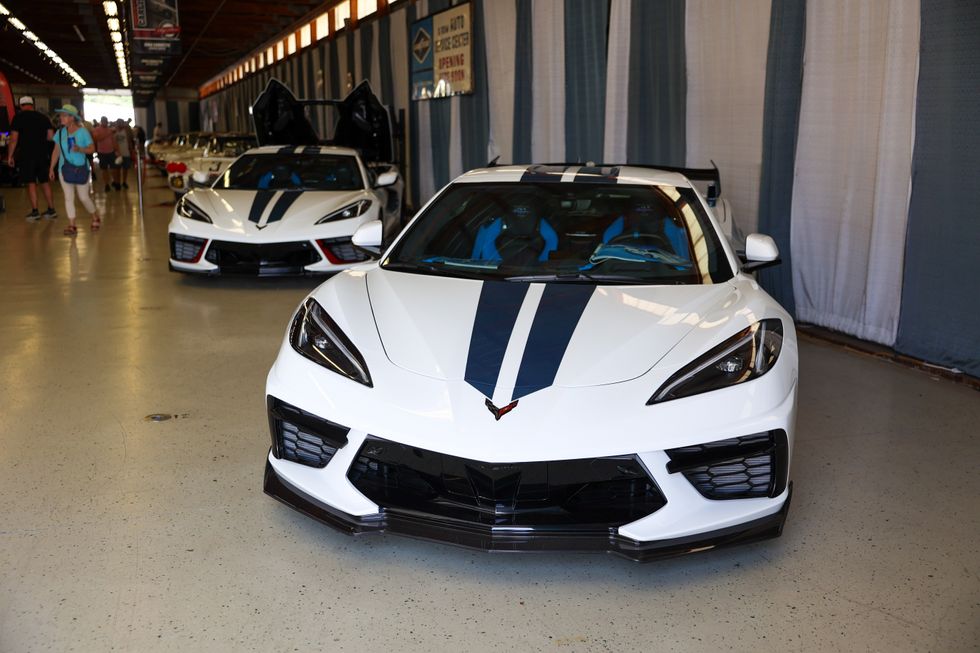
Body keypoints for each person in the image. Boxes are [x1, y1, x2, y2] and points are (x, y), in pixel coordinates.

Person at [48, 104, 101, 236]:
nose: (61, 118)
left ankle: (95, 216)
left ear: (72, 118)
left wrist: (80, 149)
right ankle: (72, 225)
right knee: (68, 197)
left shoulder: (83, 132)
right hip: (64, 169)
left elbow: (92, 149)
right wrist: (51, 168)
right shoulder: (60, 133)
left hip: (80, 168)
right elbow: (56, 151)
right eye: (61, 115)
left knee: (83, 197)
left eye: (64, 115)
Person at [6, 96, 57, 220]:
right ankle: (51, 210)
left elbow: (14, 139)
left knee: (31, 182)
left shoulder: (18, 118)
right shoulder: (44, 118)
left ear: (21, 106)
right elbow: (51, 137)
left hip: (27, 156)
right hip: (42, 155)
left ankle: (35, 212)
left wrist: (10, 156)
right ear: (32, 105)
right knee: (44, 181)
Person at [92, 116, 116, 192]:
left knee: (113, 168)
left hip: (111, 151)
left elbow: (113, 140)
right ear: (101, 121)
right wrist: (107, 133)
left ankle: (114, 181)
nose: (105, 122)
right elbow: (97, 139)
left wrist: (116, 150)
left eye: (106, 121)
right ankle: (106, 184)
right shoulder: (97, 129)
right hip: (102, 152)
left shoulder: (110, 129)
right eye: (104, 121)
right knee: (104, 169)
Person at [112, 118, 133, 189]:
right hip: (117, 154)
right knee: (117, 169)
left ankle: (124, 182)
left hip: (126, 152)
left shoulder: (126, 131)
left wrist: (131, 151)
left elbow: (129, 141)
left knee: (125, 169)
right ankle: (117, 182)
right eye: (119, 123)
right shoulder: (114, 132)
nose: (120, 124)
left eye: (121, 123)